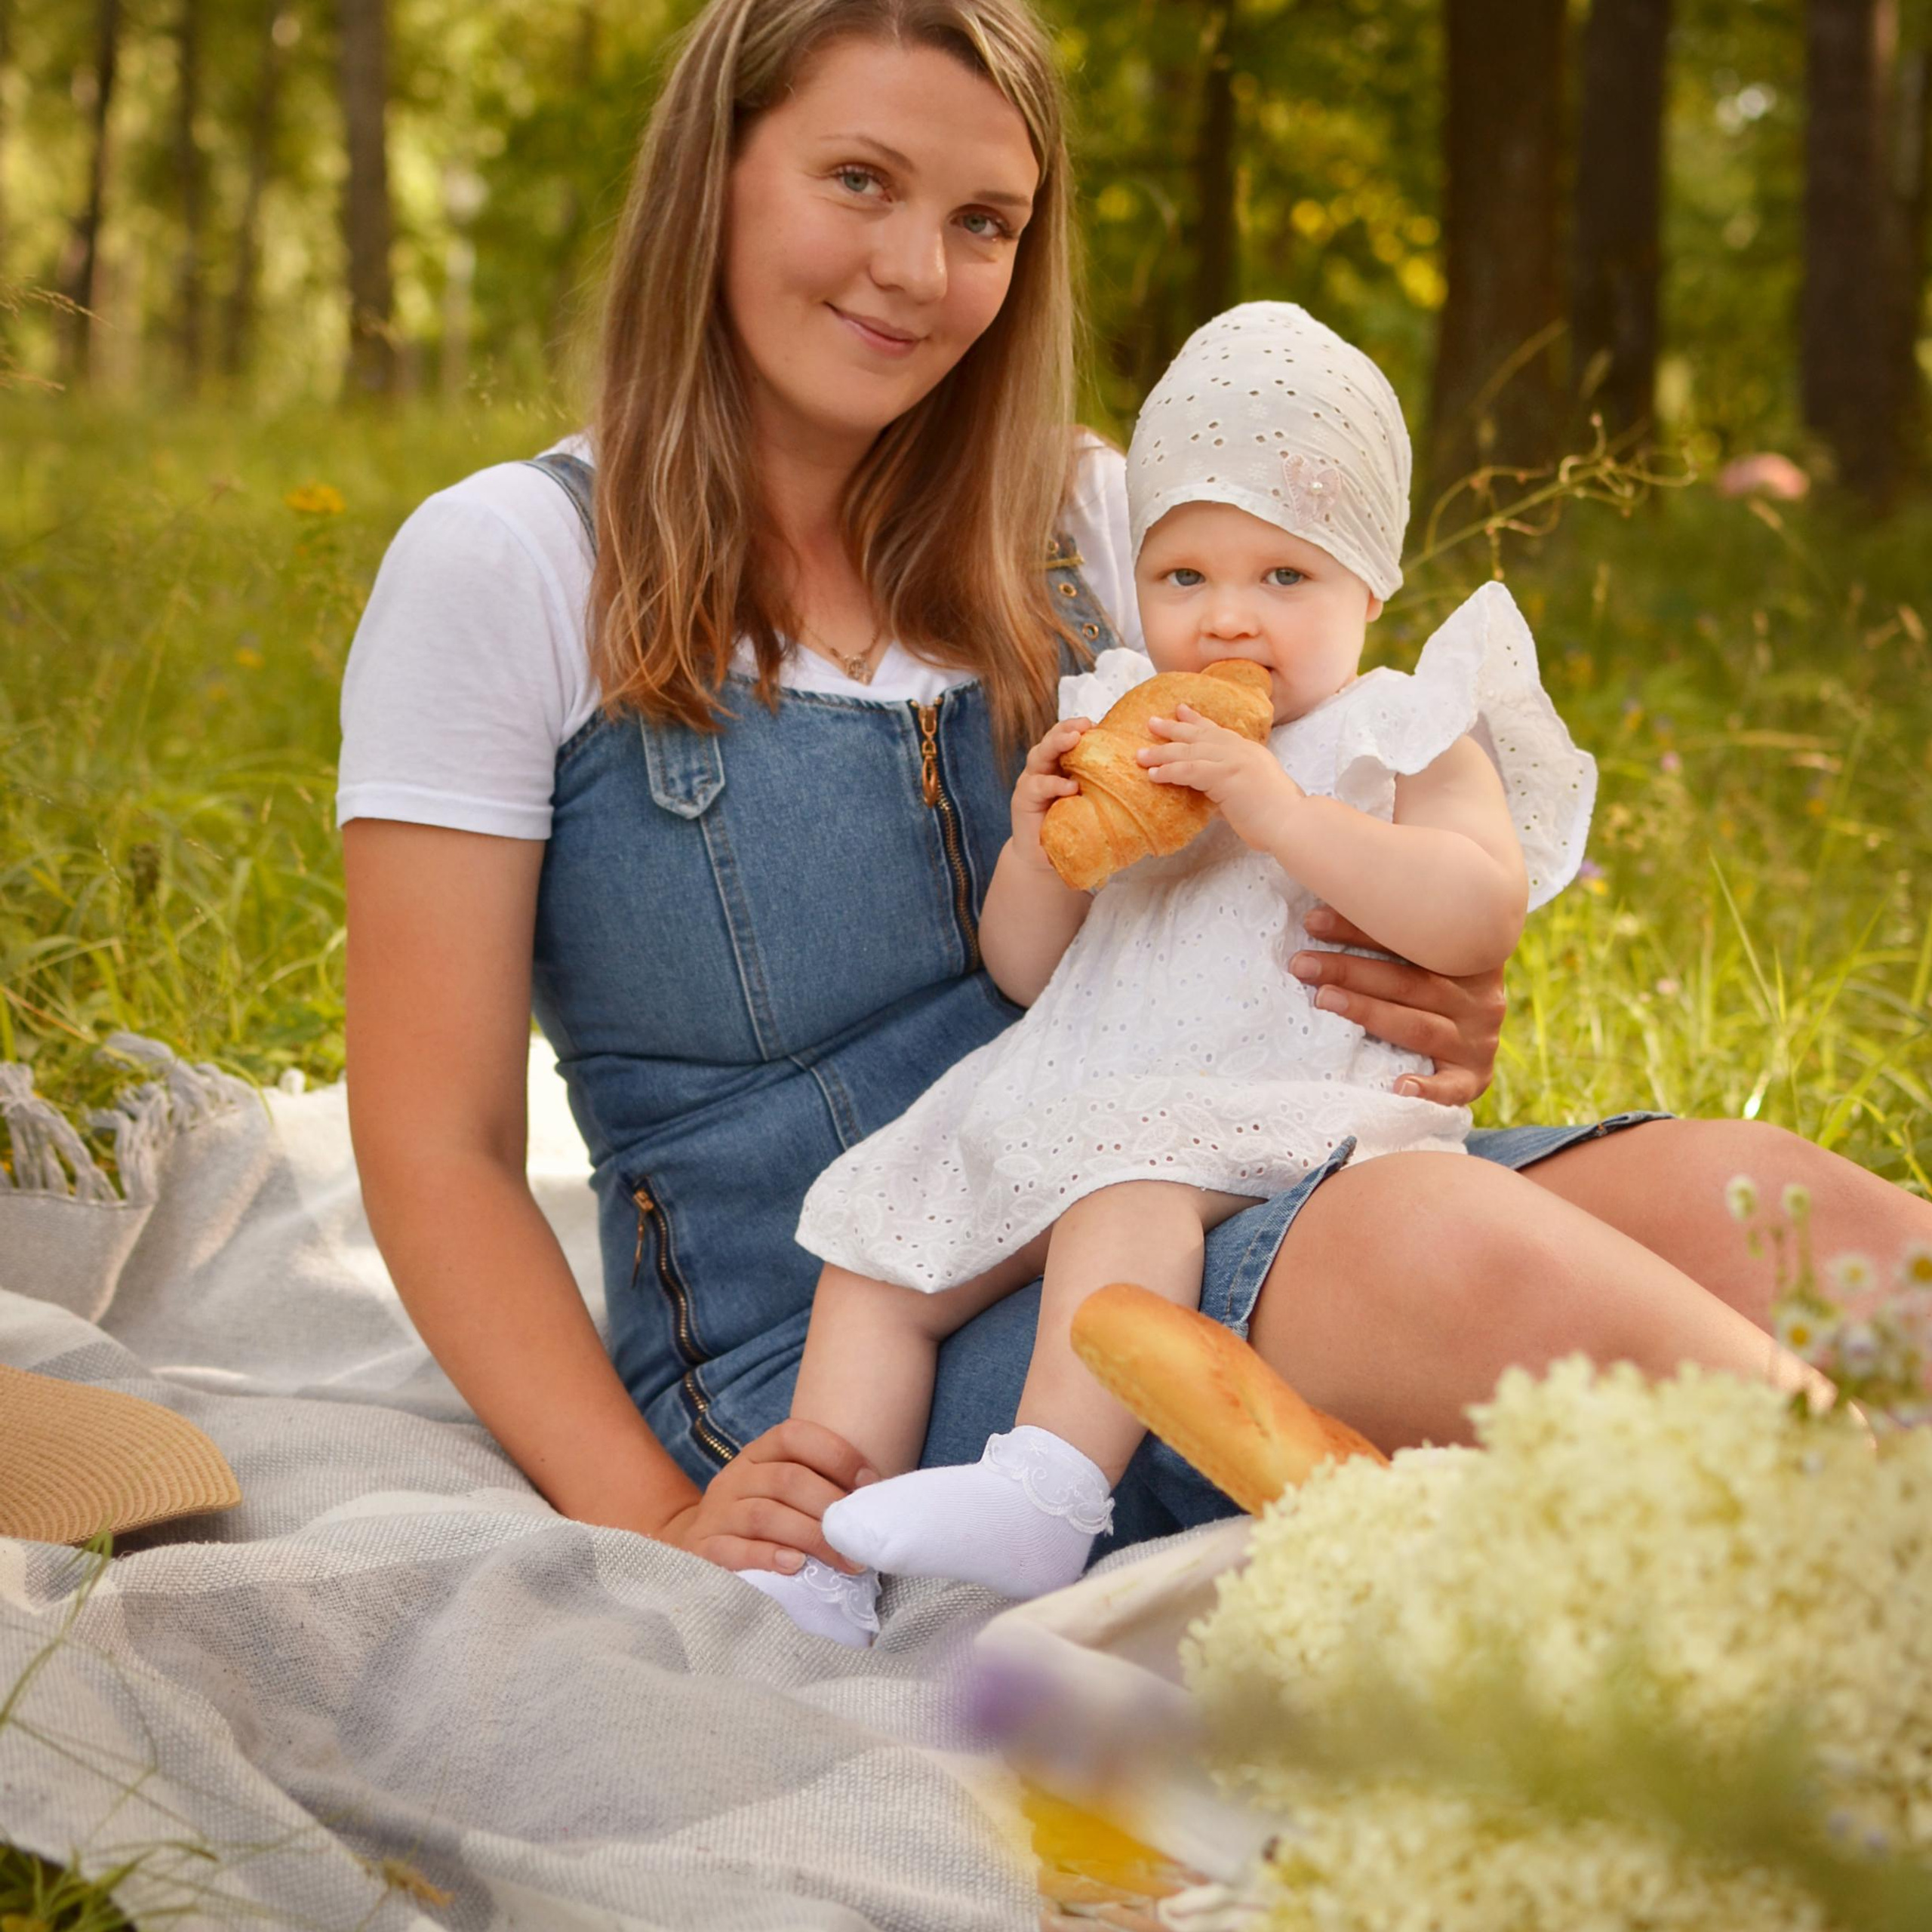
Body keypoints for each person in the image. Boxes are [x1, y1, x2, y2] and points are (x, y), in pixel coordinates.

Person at [337, 0, 1932, 1638]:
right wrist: (653, 1512)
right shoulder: (511, 568)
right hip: (851, 1330)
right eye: (859, 181)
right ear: (714, 176)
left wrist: (1433, 986)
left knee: (1754, 1202)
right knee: (1423, 1236)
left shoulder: (1096, 524)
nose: (915, 271)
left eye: (982, 223)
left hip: (1201, 1168)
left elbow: (1344, 827)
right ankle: (1877, 1555)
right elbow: (435, 1145)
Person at [733, 302, 1835, 1646]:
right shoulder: (1122, 722)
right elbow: (1024, 971)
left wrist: (1281, 810)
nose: (1228, 622)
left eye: (1283, 579)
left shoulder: (1401, 733)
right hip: (1083, 1081)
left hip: (1274, 1099)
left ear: (1369, 589)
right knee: (872, 1246)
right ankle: (817, 1554)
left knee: (1122, 1203)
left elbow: (1476, 913)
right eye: (1184, 578)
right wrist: (1041, 852)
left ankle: (1048, 1486)